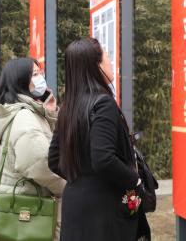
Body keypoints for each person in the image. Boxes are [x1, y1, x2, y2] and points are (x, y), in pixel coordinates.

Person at [48, 38, 150, 241]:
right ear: (96, 66)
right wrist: (135, 180)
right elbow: (103, 158)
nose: (110, 61)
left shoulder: (69, 107)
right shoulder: (103, 104)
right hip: (104, 210)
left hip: (74, 205)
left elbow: (53, 158)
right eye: (107, 56)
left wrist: (82, 179)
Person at [0, 58, 66, 240]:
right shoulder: (25, 118)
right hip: (31, 204)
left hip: (19, 199)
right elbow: (40, 165)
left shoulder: (17, 112)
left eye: (40, 73)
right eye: (35, 74)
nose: (41, 78)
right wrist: (66, 185)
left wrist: (49, 113)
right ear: (20, 81)